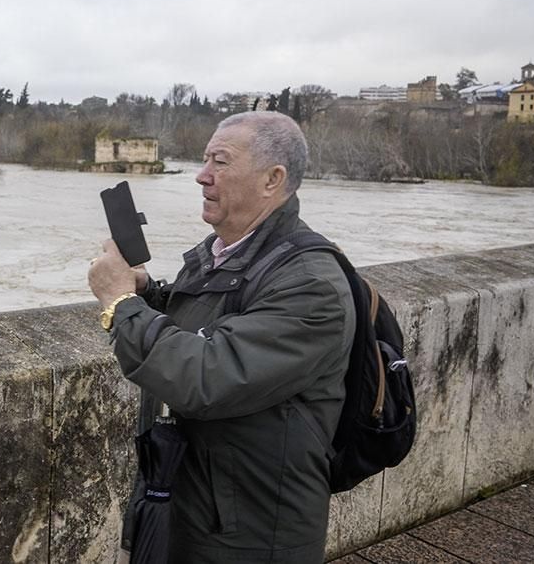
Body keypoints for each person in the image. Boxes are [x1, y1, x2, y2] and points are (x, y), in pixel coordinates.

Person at [89, 111, 354, 563]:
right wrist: (147, 293)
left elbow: (205, 377)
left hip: (251, 532)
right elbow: (205, 323)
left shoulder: (312, 286)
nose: (201, 176)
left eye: (221, 162)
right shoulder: (228, 253)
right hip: (196, 505)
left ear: (273, 179)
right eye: (204, 159)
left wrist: (120, 304)